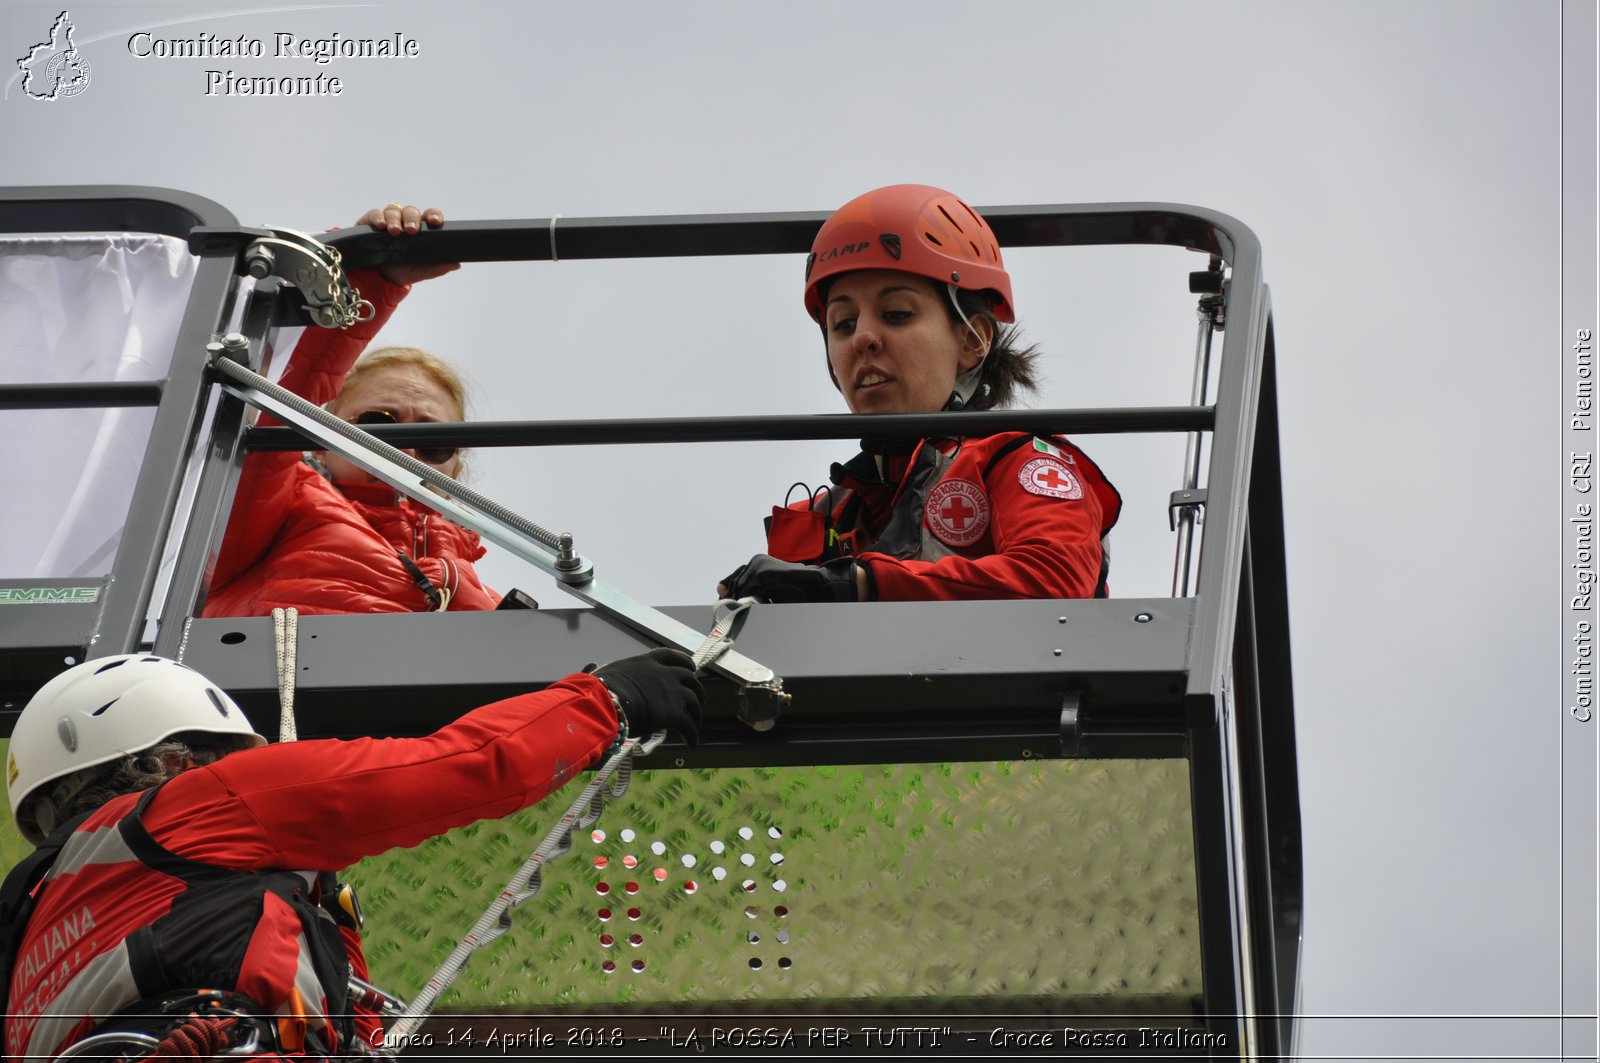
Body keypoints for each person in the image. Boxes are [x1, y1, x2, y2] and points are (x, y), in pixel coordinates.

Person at [1, 648, 702, 1059]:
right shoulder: (196, 809)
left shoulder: (27, 937)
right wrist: (608, 699)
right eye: (213, 756)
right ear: (170, 755)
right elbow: (463, 765)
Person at [718, 184, 1122, 604]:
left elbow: (1055, 583)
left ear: (972, 340)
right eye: (842, 323)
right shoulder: (827, 513)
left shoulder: (1018, 461)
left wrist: (859, 584)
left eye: (896, 314)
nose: (863, 339)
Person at [202, 204, 494, 617]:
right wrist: (371, 275)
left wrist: (602, 686)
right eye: (378, 425)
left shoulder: (494, 606)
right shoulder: (273, 509)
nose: (406, 450)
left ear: (454, 474)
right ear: (318, 443)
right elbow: (279, 401)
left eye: (435, 442)